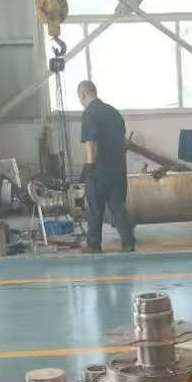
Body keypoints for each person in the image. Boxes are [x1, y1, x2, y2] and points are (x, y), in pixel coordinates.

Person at [77, 80, 135, 254]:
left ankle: (94, 245)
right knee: (118, 206)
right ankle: (128, 243)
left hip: (99, 170)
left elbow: (90, 142)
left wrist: (89, 166)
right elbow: (122, 141)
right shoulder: (113, 112)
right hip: (118, 169)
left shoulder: (89, 113)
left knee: (95, 208)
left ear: (83, 95)